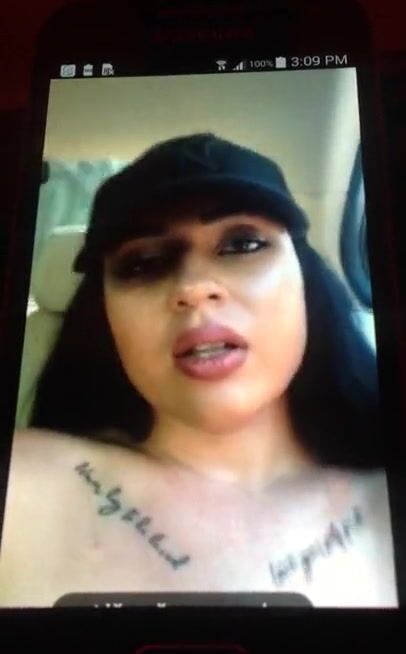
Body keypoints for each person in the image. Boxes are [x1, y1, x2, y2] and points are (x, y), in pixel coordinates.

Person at [0, 133, 397, 607]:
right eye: (144, 263)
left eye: (243, 244)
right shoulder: (22, 482)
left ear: (305, 283)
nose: (193, 287)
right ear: (105, 315)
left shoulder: (385, 503)